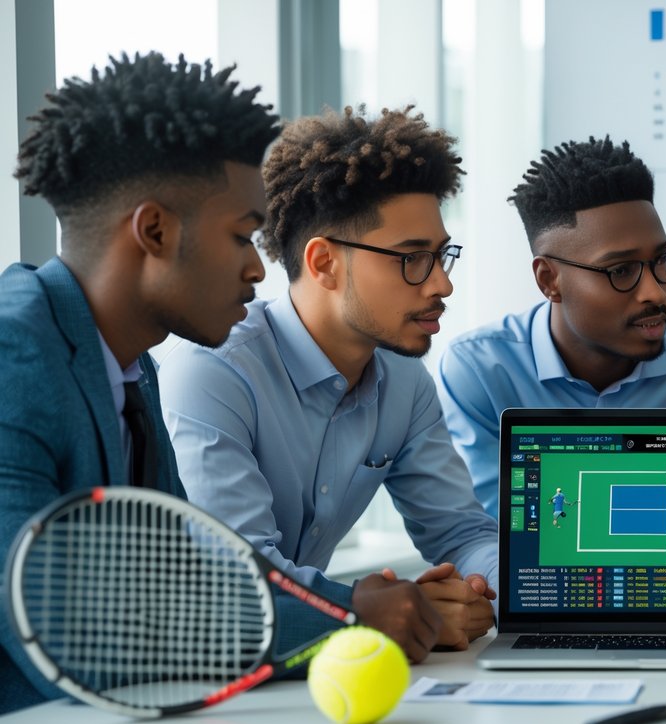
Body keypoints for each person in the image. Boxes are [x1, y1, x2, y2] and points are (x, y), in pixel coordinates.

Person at [0, 53, 396, 715]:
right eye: (243, 237)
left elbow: (190, 574)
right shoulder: (14, 360)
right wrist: (347, 619)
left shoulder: (132, 368)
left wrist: (351, 608)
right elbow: (65, 634)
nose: (257, 270)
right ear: (153, 230)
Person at [159, 106, 497, 657]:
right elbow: (240, 575)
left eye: (442, 257)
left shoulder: (404, 380)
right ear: (324, 263)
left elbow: (461, 534)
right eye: (413, 259)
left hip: (301, 668)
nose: (441, 285)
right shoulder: (212, 368)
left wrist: (491, 589)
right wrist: (391, 613)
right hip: (197, 667)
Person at [438, 136, 666, 520]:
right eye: (620, 270)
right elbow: (490, 538)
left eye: (661, 260)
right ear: (549, 281)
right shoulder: (480, 373)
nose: (654, 291)